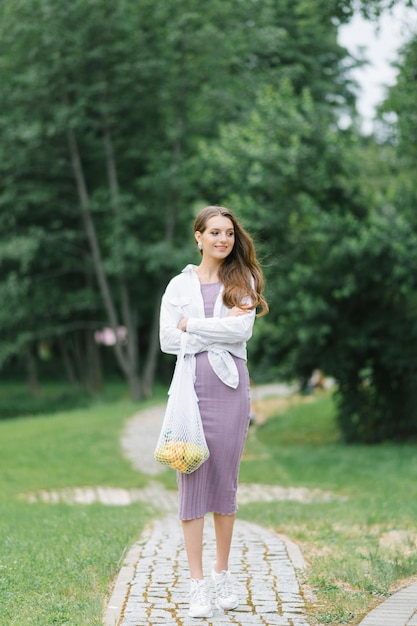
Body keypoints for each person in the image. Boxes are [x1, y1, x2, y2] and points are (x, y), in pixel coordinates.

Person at [159, 205, 268, 618]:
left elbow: (242, 330)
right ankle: (197, 584)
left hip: (230, 389)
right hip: (189, 391)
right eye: (215, 232)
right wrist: (199, 329)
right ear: (198, 237)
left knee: (224, 482)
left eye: (228, 233)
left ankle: (223, 574)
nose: (223, 239)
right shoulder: (177, 286)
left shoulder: (244, 279)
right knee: (190, 480)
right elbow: (167, 340)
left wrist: (192, 326)